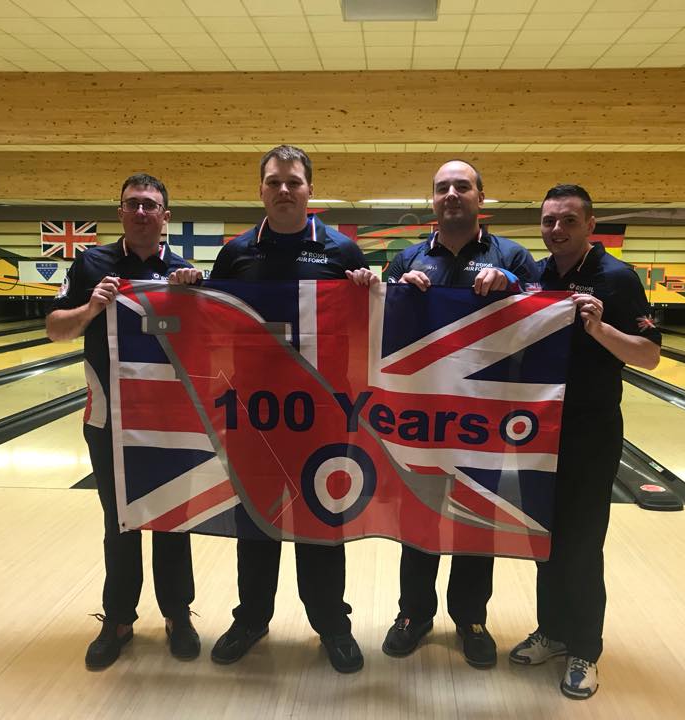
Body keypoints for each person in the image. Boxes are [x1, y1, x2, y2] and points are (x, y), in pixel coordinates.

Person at [169, 145, 369, 673]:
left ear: (309, 189)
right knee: (256, 522)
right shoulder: (237, 253)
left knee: (324, 522)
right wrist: (190, 290)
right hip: (252, 414)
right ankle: (251, 618)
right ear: (261, 189)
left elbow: (367, 328)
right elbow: (213, 326)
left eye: (294, 182)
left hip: (323, 413)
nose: (285, 190)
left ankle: (332, 624)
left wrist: (374, 289)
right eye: (275, 182)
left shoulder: (343, 252)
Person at [369, 160, 538, 669]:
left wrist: (513, 284)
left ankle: (470, 618)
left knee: (475, 517)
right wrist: (397, 291)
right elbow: (380, 331)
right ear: (432, 200)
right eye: (442, 188)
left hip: (484, 414)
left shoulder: (514, 256)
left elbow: (545, 316)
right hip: (422, 413)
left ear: (480, 198)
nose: (452, 194)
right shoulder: (407, 258)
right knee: (418, 514)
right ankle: (413, 615)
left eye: (462, 186)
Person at [507, 184, 661, 699]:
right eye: (549, 220)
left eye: (568, 221)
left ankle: (584, 650)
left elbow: (648, 354)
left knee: (581, 542)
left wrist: (600, 330)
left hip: (590, 430)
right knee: (545, 537)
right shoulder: (540, 272)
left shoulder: (616, 278)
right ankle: (552, 631)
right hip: (539, 428)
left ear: (589, 225)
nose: (557, 230)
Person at [46, 173, 200, 670]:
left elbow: (200, 345)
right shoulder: (92, 263)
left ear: (165, 216)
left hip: (168, 418)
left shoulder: (183, 272)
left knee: (173, 518)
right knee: (120, 522)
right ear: (120, 212)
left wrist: (188, 300)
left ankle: (178, 615)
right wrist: (92, 306)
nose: (141, 212)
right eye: (132, 204)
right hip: (109, 417)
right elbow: (55, 330)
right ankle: (118, 619)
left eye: (150, 205)